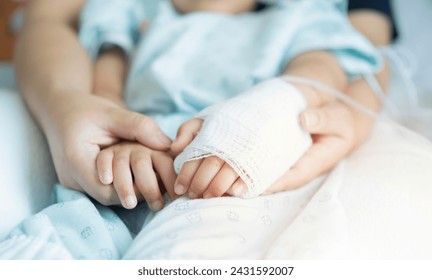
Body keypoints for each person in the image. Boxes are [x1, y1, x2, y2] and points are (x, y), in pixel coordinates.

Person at [15, 0, 392, 209]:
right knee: (83, 218)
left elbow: (320, 70)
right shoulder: (140, 11)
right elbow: (106, 84)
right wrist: (121, 138)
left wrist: (274, 106)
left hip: (245, 148)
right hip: (148, 143)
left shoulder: (297, 17)